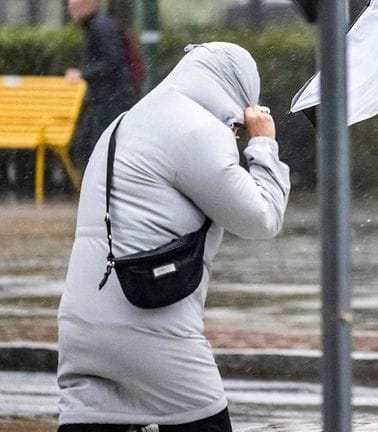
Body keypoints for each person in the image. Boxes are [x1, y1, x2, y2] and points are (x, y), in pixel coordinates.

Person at [57, 42, 291, 431]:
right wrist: (263, 143)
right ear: (240, 90)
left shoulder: (125, 122)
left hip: (81, 325)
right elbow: (261, 219)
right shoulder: (196, 129)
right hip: (149, 328)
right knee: (205, 421)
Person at [66, 0, 138, 165]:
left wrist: (83, 73)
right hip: (108, 97)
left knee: (96, 147)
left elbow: (112, 62)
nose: (71, 12)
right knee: (92, 146)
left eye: (74, 6)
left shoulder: (100, 28)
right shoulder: (99, 26)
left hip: (112, 98)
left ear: (86, 5)